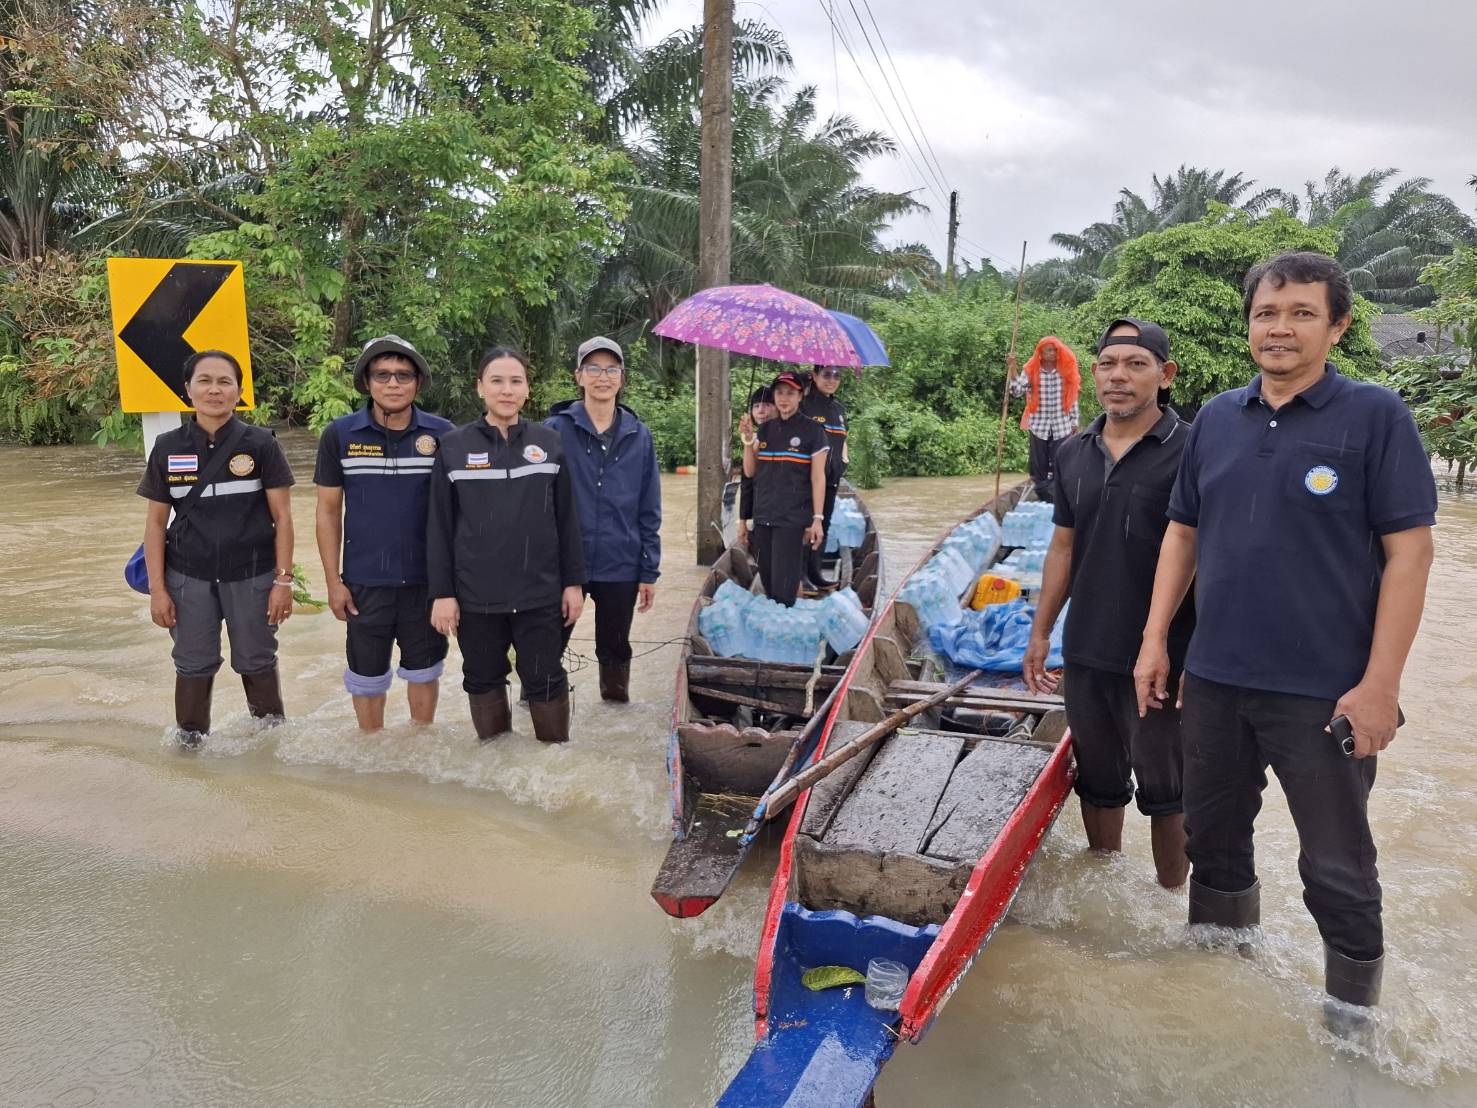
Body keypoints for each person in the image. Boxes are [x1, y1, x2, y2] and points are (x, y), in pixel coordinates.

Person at [1133, 251, 1437, 1028]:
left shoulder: (1374, 416)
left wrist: (1379, 687)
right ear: (1248, 324)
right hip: (1214, 680)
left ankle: (1351, 1031)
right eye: (1266, 313)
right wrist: (1155, 640)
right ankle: (1218, 987)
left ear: (1336, 326)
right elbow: (1182, 533)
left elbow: (1409, 555)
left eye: (1301, 313)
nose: (1279, 328)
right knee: (1211, 840)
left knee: (1336, 868)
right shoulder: (1215, 420)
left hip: (1324, 690)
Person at [1023, 318, 1194, 888]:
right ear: (1093, 374)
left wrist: (1196, 652)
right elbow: (1063, 547)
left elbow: (1209, 554)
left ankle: (1170, 899)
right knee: (1097, 779)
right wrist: (1041, 633)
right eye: (1108, 364)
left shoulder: (1192, 449)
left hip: (1163, 653)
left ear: (1164, 375)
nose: (1118, 376)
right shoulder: (1073, 451)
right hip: (1087, 647)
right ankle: (1106, 888)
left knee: (1169, 787)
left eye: (1136, 364)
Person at [427, 347, 586, 744]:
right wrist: (442, 593)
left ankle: (552, 760)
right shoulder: (453, 447)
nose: (507, 390)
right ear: (480, 387)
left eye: (516, 381)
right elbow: (439, 527)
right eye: (496, 381)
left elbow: (567, 520)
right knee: (482, 678)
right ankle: (496, 763)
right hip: (476, 594)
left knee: (545, 678)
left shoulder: (549, 443)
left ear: (527, 389)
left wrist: (573, 584)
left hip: (540, 592)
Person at [137, 349, 295, 747]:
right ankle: (189, 753)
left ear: (239, 391)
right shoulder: (167, 447)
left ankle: (270, 750)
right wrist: (158, 589)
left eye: (225, 382)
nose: (214, 390)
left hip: (253, 575)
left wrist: (283, 581)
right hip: (187, 578)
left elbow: (283, 518)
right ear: (187, 389)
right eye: (204, 381)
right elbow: (155, 524)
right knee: (192, 664)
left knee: (257, 659)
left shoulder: (261, 444)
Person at [314, 335, 454, 731]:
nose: (393, 383)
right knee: (366, 677)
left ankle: (419, 749)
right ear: (366, 381)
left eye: (403, 375)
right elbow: (327, 511)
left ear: (418, 383)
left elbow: (460, 512)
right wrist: (333, 583)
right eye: (382, 375)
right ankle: (371, 754)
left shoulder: (443, 434)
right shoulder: (340, 435)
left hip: (426, 584)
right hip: (363, 585)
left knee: (424, 672)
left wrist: (452, 586)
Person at [544, 336, 662, 703]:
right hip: (565, 562)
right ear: (579, 376)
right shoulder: (554, 430)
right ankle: (540, 711)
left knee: (615, 646)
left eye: (611, 369)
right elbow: (537, 502)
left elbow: (649, 507)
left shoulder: (639, 435)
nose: (602, 377)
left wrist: (649, 570)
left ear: (622, 378)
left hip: (620, 560)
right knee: (546, 645)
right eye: (593, 368)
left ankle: (614, 708)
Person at [737, 370, 828, 606]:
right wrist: (747, 440)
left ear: (800, 396)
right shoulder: (766, 429)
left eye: (790, 393)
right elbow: (750, 471)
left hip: (792, 519)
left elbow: (818, 478)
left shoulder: (813, 431)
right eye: (779, 393)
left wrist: (817, 519)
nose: (783, 398)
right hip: (763, 516)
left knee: (785, 589)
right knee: (769, 584)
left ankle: (787, 620)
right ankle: (778, 619)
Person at [1008, 336, 1081, 501]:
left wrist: (1074, 421)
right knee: (1038, 468)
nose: (1053, 353)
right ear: (1040, 352)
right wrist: (1013, 368)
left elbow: (1072, 396)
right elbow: (1017, 391)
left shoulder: (1064, 369)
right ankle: (1042, 497)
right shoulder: (1031, 369)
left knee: (1061, 463)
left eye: (1055, 350)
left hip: (1062, 425)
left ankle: (1059, 499)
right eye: (1049, 350)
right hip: (1039, 426)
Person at [801, 366, 850, 590]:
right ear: (814, 376)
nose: (832, 380)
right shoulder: (804, 404)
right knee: (806, 526)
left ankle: (815, 573)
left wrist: (844, 462)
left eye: (836, 375)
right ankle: (801, 575)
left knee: (824, 525)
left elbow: (843, 440)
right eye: (826, 375)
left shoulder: (839, 409)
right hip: (808, 479)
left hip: (831, 478)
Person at [736, 385, 776, 549]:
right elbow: (748, 479)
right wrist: (743, 521)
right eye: (756, 406)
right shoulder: (755, 439)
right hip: (762, 513)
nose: (760, 411)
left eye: (767, 405)